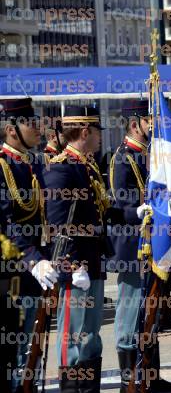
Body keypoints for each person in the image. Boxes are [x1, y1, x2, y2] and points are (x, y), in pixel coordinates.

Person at [108, 99, 171, 393]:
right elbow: (120, 202)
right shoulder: (121, 158)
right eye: (148, 120)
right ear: (135, 123)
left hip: (154, 243)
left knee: (150, 310)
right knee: (130, 313)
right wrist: (140, 209)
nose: (153, 125)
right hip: (131, 246)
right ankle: (131, 380)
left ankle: (151, 376)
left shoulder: (152, 156)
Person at [43, 105, 112, 392]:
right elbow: (59, 226)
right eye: (96, 133)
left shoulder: (87, 165)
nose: (99, 139)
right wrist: (72, 266)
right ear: (85, 131)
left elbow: (101, 213)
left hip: (93, 261)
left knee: (91, 334)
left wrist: (139, 213)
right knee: (75, 335)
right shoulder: (62, 168)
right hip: (76, 268)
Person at [0, 98, 47, 392]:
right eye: (30, 123)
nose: (37, 128)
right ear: (12, 130)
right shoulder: (3, 167)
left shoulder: (31, 165)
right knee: (13, 347)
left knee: (30, 345)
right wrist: (32, 257)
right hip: (11, 272)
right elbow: (5, 220)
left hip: (34, 270)